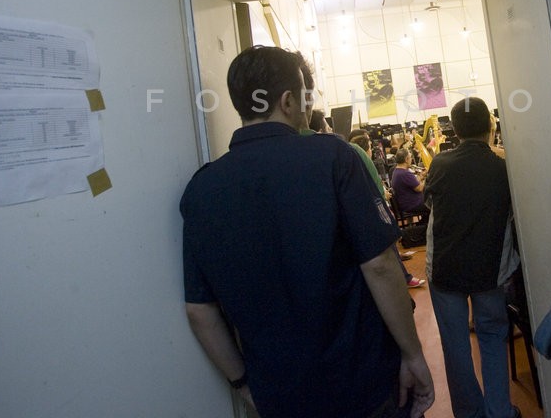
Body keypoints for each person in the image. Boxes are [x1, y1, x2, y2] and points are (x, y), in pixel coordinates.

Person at [179, 46, 434, 418]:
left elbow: (199, 310)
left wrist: (244, 385)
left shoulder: (201, 190)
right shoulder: (332, 157)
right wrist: (413, 354)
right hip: (360, 381)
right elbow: (379, 265)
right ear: (287, 101)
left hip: (280, 396)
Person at [424, 97, 521, 418]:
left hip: (445, 269)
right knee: (492, 337)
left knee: (455, 348)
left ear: (455, 129)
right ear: (490, 126)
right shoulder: (503, 169)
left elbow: (430, 205)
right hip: (490, 269)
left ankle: (469, 414)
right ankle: (500, 411)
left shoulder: (439, 164)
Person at [350, 129, 425, 289]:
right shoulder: (364, 165)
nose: (372, 150)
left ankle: (403, 273)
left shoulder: (395, 171)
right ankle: (405, 277)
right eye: (370, 146)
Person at [390, 147, 430, 224]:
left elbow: (414, 183)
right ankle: (425, 224)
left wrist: (421, 176)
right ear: (406, 159)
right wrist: (428, 178)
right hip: (412, 204)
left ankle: (423, 223)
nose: (411, 159)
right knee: (435, 203)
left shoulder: (397, 171)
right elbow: (419, 188)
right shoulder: (405, 173)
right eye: (410, 157)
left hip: (405, 203)